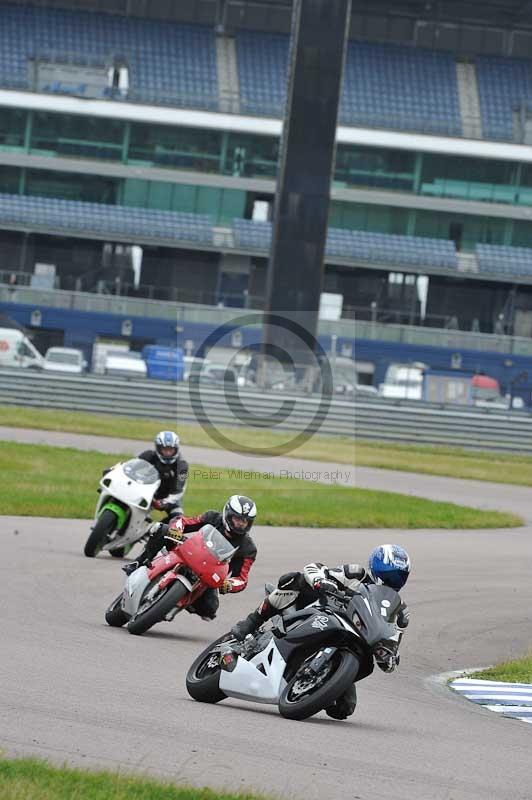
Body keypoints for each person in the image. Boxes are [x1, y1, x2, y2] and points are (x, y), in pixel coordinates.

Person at [231, 543, 411, 720]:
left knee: (344, 708)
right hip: (321, 613)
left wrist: (389, 657)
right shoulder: (356, 574)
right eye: (389, 576)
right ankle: (252, 622)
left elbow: (393, 642)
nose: (392, 581)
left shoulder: (400, 611)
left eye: (398, 578)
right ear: (375, 568)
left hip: (353, 642)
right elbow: (314, 568)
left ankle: (313, 684)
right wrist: (321, 581)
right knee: (293, 580)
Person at [123, 495, 258, 622]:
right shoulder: (212, 517)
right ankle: (138, 563)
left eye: (245, 521)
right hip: (189, 551)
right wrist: (176, 529)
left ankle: (184, 601)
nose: (240, 524)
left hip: (209, 574)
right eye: (237, 519)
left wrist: (229, 585)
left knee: (209, 609)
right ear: (228, 514)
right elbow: (184, 521)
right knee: (161, 529)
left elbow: (241, 579)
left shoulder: (248, 548)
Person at [138, 431, 189, 520]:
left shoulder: (182, 466)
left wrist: (165, 502)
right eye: (165, 450)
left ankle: (162, 530)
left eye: (171, 450)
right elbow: (130, 467)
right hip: (147, 493)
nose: (168, 453)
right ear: (158, 448)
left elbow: (180, 490)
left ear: (176, 449)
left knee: (179, 519)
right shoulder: (148, 455)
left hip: (170, 496)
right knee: (140, 515)